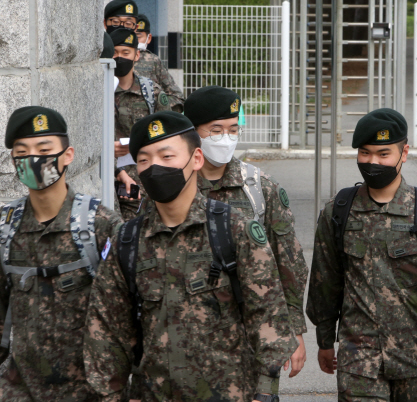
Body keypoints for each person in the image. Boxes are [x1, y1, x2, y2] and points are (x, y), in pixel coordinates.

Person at [83, 111, 298, 402]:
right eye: (144, 160)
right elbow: (106, 330)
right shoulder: (127, 240)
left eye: (167, 156)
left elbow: (268, 314)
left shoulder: (234, 229)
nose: (154, 167)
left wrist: (264, 392)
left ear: (196, 159)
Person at [306, 108, 417, 402]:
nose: (373, 162)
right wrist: (324, 340)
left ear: (404, 153)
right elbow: (325, 281)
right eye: (365, 153)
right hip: (359, 364)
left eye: (383, 154)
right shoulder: (338, 212)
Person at [184, 86, 309, 387]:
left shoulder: (259, 188)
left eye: (232, 129)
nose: (225, 138)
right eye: (215, 130)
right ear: (193, 132)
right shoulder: (175, 186)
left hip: (253, 336)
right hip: (187, 340)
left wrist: (294, 330)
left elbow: (289, 263)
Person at [0, 106, 121, 400]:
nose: (34, 159)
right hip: (21, 388)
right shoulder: (5, 228)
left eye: (44, 149)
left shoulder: (101, 225)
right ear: (14, 162)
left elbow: (123, 314)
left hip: (89, 390)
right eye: (22, 152)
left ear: (68, 155)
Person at [110, 28, 171, 220]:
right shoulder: (100, 91)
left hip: (145, 177)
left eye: (125, 53)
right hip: (111, 175)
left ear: (137, 55)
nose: (120, 58)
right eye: (115, 53)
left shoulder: (150, 92)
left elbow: (169, 133)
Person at [134, 14, 185, 112]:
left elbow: (177, 98)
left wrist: (154, 108)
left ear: (148, 38)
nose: (133, 41)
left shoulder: (153, 61)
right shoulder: (115, 58)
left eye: (138, 36)